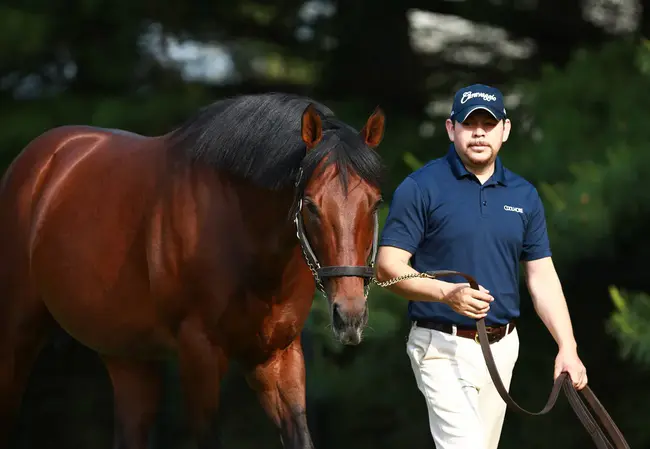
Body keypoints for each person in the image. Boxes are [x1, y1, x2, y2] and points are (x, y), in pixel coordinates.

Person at [375, 84, 587, 449]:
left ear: (504, 130)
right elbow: (387, 266)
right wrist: (447, 294)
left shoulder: (524, 196)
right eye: (468, 123)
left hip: (503, 348)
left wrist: (567, 346)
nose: (478, 132)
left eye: (487, 124)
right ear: (450, 128)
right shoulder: (421, 187)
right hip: (440, 345)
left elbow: (542, 277)